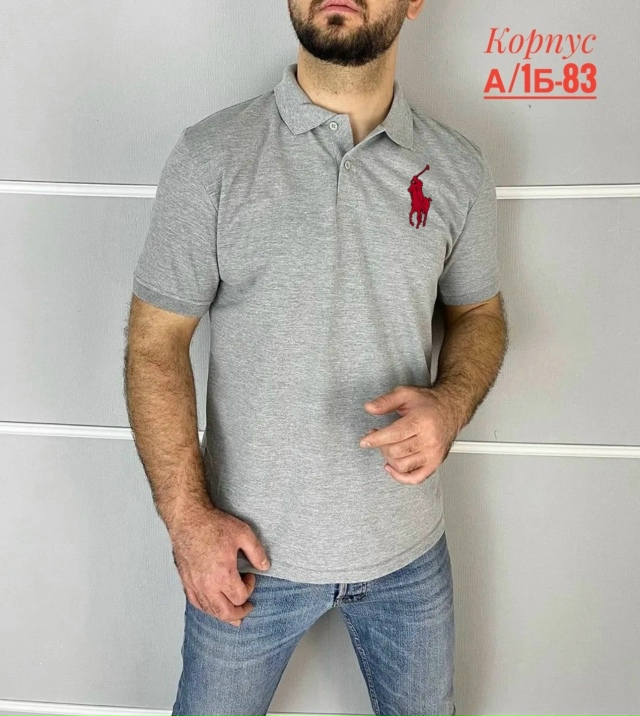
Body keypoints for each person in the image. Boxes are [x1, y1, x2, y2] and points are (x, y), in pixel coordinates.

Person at [124, 1, 508, 714]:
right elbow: (155, 344)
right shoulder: (212, 157)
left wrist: (451, 404)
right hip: (247, 560)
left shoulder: (457, 167)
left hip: (408, 556)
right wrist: (188, 523)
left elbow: (479, 315)